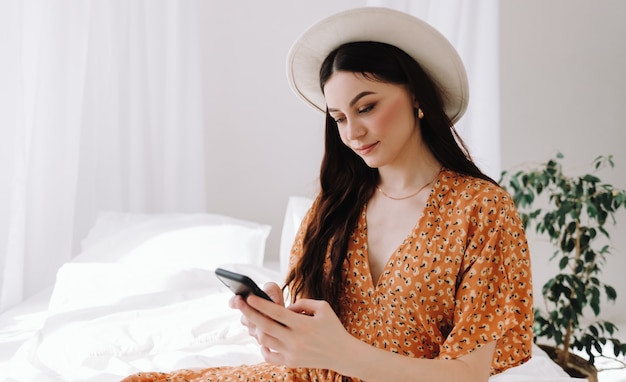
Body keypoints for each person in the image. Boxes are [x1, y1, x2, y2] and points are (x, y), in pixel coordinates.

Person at [122, 7, 533, 382]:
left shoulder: (481, 210)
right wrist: (278, 327)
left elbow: (468, 374)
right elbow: (302, 350)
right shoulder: (335, 206)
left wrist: (344, 354)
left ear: (415, 97)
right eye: (339, 118)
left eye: (367, 107)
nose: (352, 133)